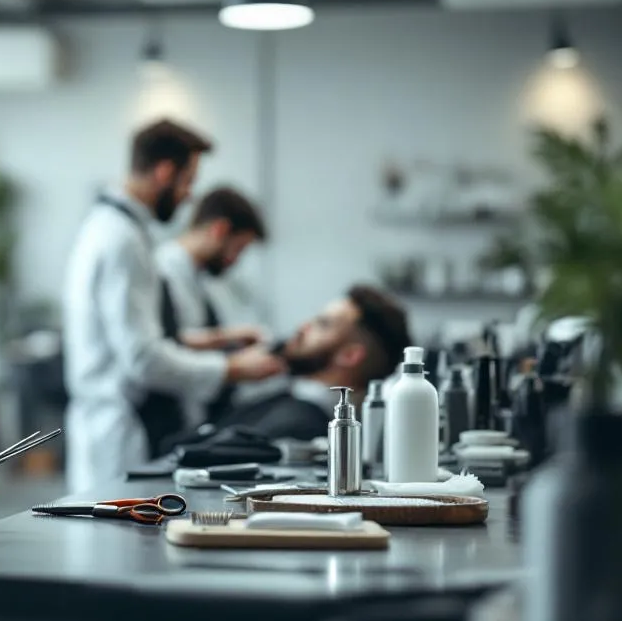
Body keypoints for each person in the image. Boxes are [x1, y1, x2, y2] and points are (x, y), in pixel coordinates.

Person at [60, 119, 286, 494]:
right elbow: (144, 358)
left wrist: (220, 343)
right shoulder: (122, 240)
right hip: (123, 431)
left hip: (114, 424)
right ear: (165, 172)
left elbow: (147, 338)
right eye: (188, 181)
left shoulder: (113, 229)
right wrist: (231, 368)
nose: (189, 196)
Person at [145, 186, 270, 450]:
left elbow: (185, 335)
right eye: (238, 248)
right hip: (152, 419)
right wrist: (234, 367)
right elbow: (167, 344)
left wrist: (230, 338)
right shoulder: (162, 272)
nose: (235, 260)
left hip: (185, 412)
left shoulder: (196, 275)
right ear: (220, 230)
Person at [220, 285, 412, 441]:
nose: (303, 327)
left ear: (350, 355)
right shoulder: (289, 404)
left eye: (323, 324)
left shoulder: (301, 429)